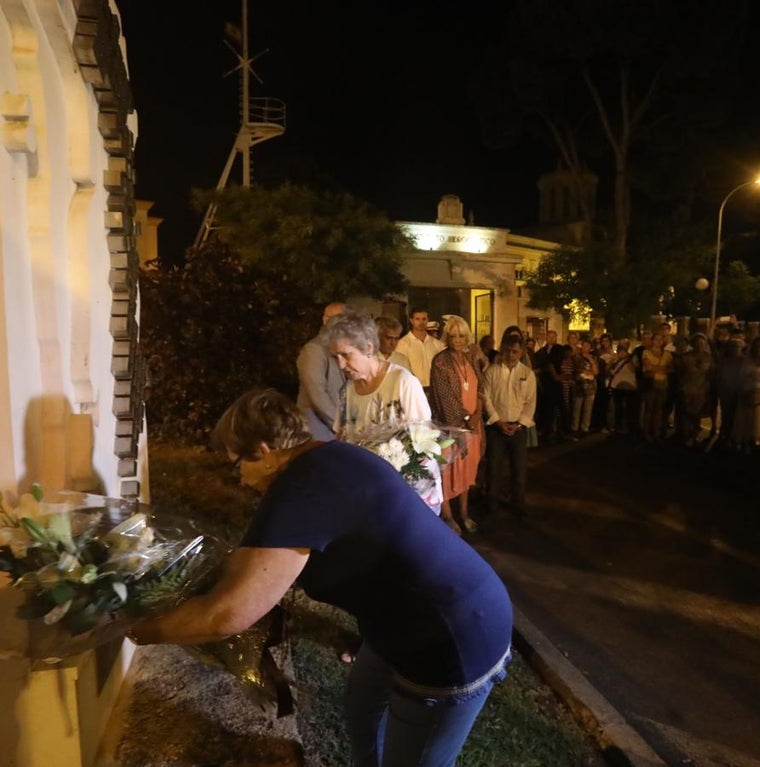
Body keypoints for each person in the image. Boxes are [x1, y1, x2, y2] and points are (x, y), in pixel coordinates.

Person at [127, 388, 513, 767]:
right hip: (409, 618)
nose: (239, 479)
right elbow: (256, 565)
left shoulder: (299, 491)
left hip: (450, 636)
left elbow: (228, 614)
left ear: (262, 451)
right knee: (362, 709)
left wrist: (145, 629)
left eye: (236, 464)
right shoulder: (328, 457)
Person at [325, 310, 442, 513]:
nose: (340, 365)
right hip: (368, 495)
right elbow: (342, 437)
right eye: (336, 357)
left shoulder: (402, 382)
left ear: (369, 348)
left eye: (346, 355)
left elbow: (425, 446)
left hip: (409, 499)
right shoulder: (348, 391)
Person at [429, 316, 485, 535]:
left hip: (474, 426)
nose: (457, 340)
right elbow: (445, 399)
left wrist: (478, 414)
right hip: (451, 427)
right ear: (446, 337)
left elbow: (480, 387)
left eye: (461, 335)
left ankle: (463, 513)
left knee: (467, 472)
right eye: (452, 336)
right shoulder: (440, 361)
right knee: (447, 471)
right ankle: (448, 516)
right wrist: (466, 419)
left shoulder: (471, 358)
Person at [481, 336, 537, 521]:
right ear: (502, 351)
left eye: (515, 351)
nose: (511, 355)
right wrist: (497, 422)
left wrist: (519, 424)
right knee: (494, 469)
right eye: (507, 351)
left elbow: (530, 402)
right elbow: (486, 398)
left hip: (518, 429)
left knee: (519, 470)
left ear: (521, 352)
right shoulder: (492, 371)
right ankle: (491, 504)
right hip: (497, 428)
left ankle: (518, 504)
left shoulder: (527, 374)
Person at [296, 302, 347, 441]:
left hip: (336, 430)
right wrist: (339, 425)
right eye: (337, 319)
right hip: (317, 430)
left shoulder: (342, 347)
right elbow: (317, 393)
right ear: (325, 320)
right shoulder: (314, 349)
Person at [676, 333, 713, 447]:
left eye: (702, 343)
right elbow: (679, 373)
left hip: (700, 391)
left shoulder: (709, 358)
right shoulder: (685, 357)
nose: (699, 345)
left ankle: (694, 436)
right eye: (697, 343)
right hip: (686, 390)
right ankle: (684, 435)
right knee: (685, 414)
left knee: (696, 415)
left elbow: (711, 375)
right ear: (693, 344)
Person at [394, 307, 445, 389]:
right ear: (411, 321)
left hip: (435, 388)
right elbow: (401, 369)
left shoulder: (437, 344)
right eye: (417, 319)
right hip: (414, 388)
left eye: (424, 319)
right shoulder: (403, 344)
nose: (421, 322)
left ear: (428, 320)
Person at [640, 332, 673, 443]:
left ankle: (655, 432)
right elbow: (648, 367)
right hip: (651, 384)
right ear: (652, 340)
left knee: (658, 410)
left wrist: (655, 368)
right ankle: (646, 432)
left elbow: (671, 369)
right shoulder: (646, 352)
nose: (658, 341)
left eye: (660, 339)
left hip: (663, 384)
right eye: (656, 339)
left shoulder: (667, 354)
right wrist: (663, 368)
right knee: (649, 409)